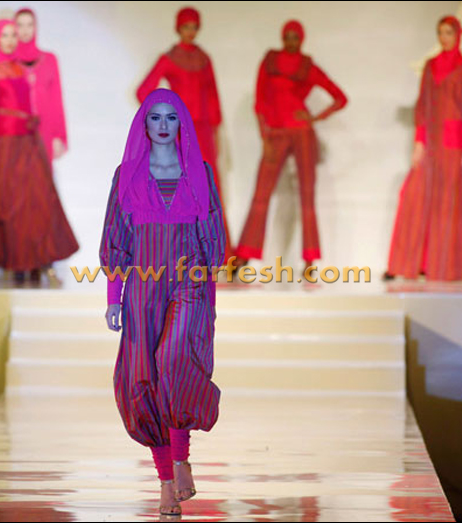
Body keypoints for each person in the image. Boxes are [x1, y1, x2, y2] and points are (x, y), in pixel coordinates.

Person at [99, 88, 225, 516]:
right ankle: (167, 482)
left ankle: (182, 458)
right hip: (142, 288)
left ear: (182, 123)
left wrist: (209, 293)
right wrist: (114, 298)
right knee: (145, 379)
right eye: (155, 117)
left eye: (172, 117)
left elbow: (212, 232)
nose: (164, 125)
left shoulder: (200, 172)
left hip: (190, 282)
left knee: (175, 361)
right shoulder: (127, 174)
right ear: (144, 125)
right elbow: (116, 236)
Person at [0, 19, 79, 284]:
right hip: (4, 144)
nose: (10, 40)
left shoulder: (20, 69)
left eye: (13, 35)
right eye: (5, 35)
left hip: (28, 141)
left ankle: (35, 262)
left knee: (35, 200)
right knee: (2, 200)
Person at [233, 20, 348, 275]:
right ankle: (244, 255)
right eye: (288, 36)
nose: (291, 41)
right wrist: (264, 137)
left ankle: (310, 260)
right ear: (282, 36)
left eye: (296, 37)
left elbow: (340, 98)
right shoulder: (270, 61)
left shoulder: (307, 66)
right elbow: (260, 102)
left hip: (302, 133)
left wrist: (314, 118)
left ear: (302, 39)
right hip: (275, 134)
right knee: (261, 194)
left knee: (307, 195)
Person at [384, 15, 462, 281]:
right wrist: (418, 141)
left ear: (457, 35)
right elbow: (424, 105)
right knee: (414, 195)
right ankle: (405, 264)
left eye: (448, 32)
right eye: (440, 32)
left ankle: (443, 267)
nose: (443, 37)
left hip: (455, 142)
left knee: (448, 204)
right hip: (431, 141)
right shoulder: (431, 66)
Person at [136, 6, 234, 264]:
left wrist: (216, 129)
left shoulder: (204, 59)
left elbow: (213, 98)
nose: (190, 31)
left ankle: (218, 253)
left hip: (204, 132)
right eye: (186, 26)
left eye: (194, 27)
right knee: (178, 186)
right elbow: (143, 91)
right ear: (178, 28)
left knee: (209, 187)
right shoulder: (169, 58)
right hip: (180, 132)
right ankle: (175, 252)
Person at [14, 7, 71, 284]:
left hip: (44, 135)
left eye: (29, 25)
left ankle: (44, 260)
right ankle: (22, 261)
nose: (25, 31)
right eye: (20, 25)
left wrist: (60, 136)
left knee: (43, 198)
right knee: (19, 200)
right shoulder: (8, 62)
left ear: (35, 27)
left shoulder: (49, 60)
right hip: (17, 138)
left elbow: (56, 98)